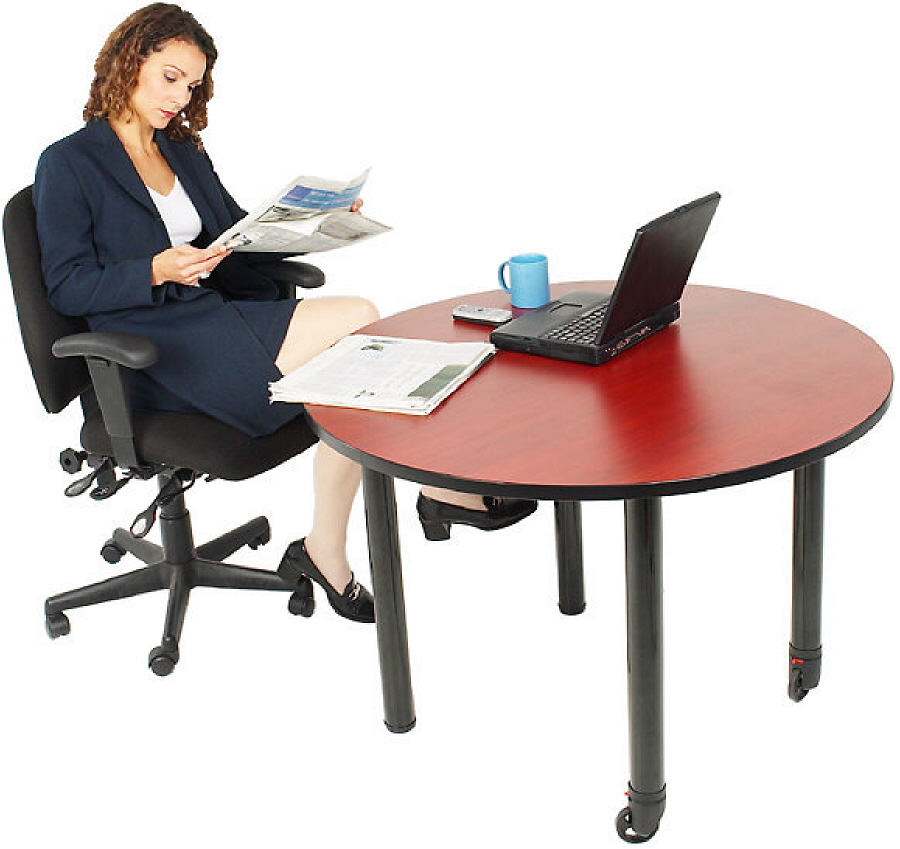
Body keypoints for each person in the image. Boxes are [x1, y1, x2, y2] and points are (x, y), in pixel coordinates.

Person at [34, 3, 536, 625]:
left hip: (214, 317)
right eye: (169, 76)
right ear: (130, 60)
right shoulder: (69, 162)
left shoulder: (182, 151)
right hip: (154, 350)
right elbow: (65, 287)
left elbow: (237, 240)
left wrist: (318, 226)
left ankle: (339, 542)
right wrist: (155, 269)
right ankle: (425, 496)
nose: (179, 96)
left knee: (358, 373)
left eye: (191, 84)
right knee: (362, 324)